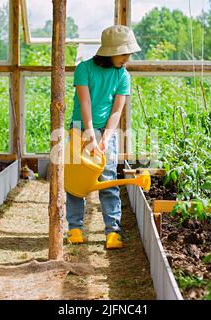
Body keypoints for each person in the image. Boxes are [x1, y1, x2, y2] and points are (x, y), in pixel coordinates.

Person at [65, 25, 141, 250]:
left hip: (107, 131)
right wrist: (89, 133)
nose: (127, 58)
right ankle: (75, 227)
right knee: (76, 181)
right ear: (110, 51)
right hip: (80, 128)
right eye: (124, 53)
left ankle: (113, 232)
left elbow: (117, 111)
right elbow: (85, 102)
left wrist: (105, 138)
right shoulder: (84, 69)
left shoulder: (123, 75)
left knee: (108, 179)